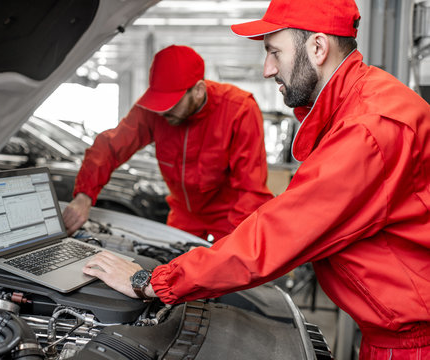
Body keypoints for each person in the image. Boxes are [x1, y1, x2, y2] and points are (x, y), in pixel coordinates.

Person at [81, 0, 430, 359]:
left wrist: (152, 282)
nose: (267, 69)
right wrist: (82, 195)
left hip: (412, 344)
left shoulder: (368, 127)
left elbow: (280, 231)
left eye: (274, 52)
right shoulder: (362, 104)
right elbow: (112, 144)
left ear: (318, 47)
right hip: (392, 330)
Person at [63, 45, 273, 241]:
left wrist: (237, 244)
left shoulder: (239, 110)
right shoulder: (155, 110)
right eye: (159, 102)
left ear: (198, 90)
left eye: (171, 103)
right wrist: (84, 196)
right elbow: (110, 146)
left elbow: (250, 189)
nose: (163, 111)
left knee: (228, 273)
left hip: (229, 215)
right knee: (172, 267)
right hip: (183, 214)